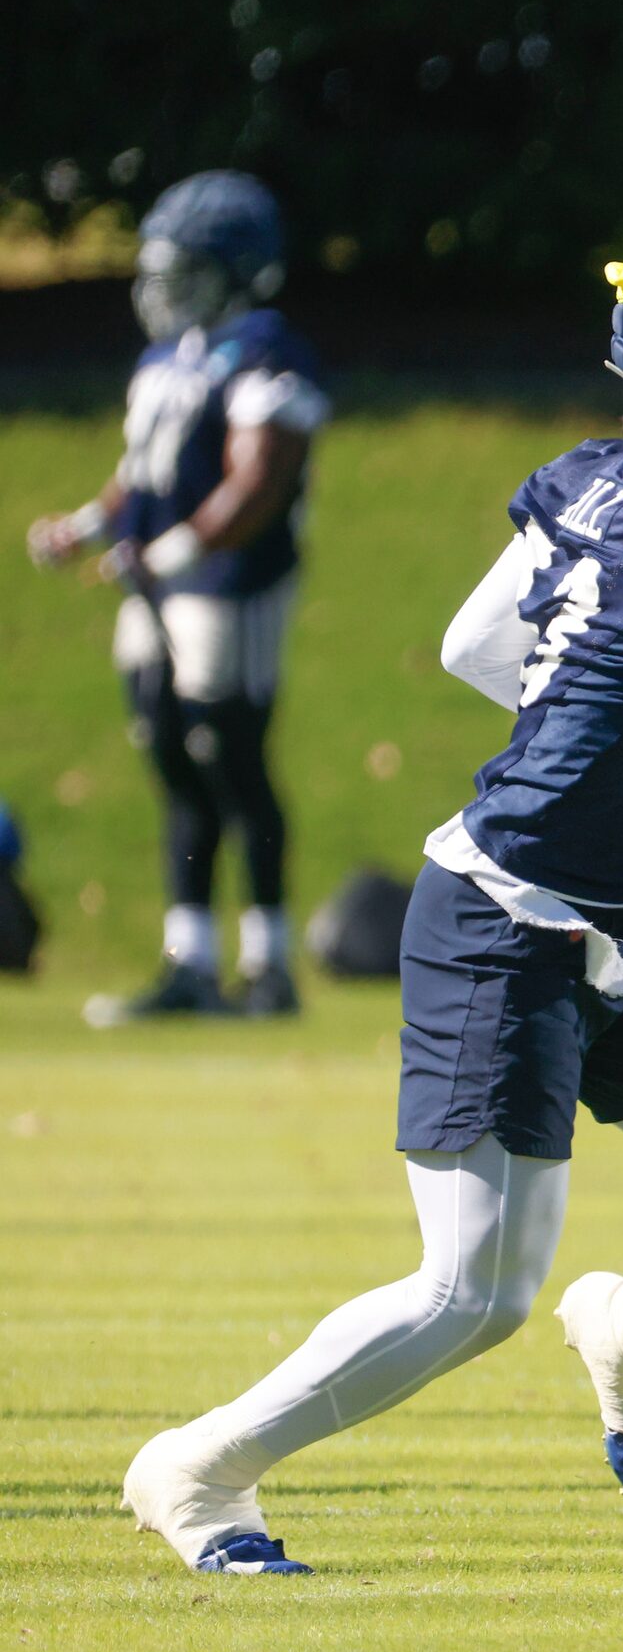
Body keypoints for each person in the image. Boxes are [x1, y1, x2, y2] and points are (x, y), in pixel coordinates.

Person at [120, 206, 623, 1575]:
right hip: (516, 921)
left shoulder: (600, 484)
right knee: (474, 1292)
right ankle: (197, 1471)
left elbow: (477, 644)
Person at [26, 172, 326, 1023]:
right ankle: (189, 962)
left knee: (232, 757)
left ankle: (269, 966)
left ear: (240, 271)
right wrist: (85, 527)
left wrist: (170, 550)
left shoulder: (266, 348)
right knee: (170, 758)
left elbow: (260, 479)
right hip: (155, 580)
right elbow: (142, 476)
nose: (164, 288)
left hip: (229, 585)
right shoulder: (168, 359)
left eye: (187, 269)